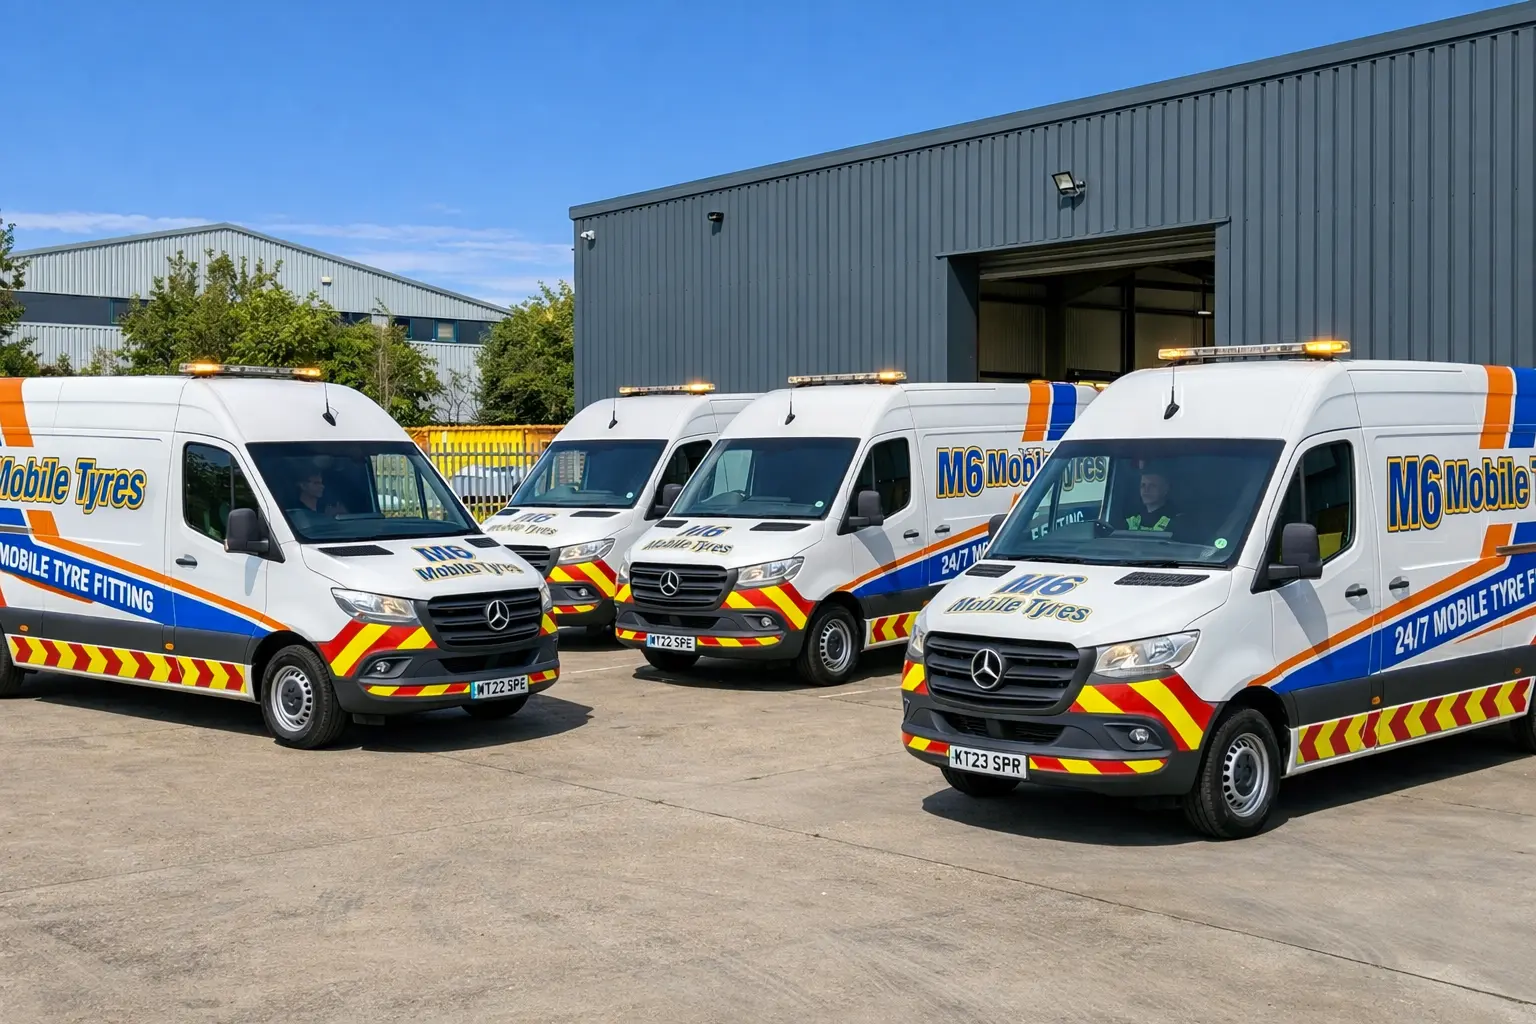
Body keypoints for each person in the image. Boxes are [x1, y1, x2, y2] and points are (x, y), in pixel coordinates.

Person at [1126, 465, 1180, 532]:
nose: (1146, 490)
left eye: (1152, 486)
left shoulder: (1176, 521)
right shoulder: (1131, 520)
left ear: (1165, 489)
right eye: (1143, 485)